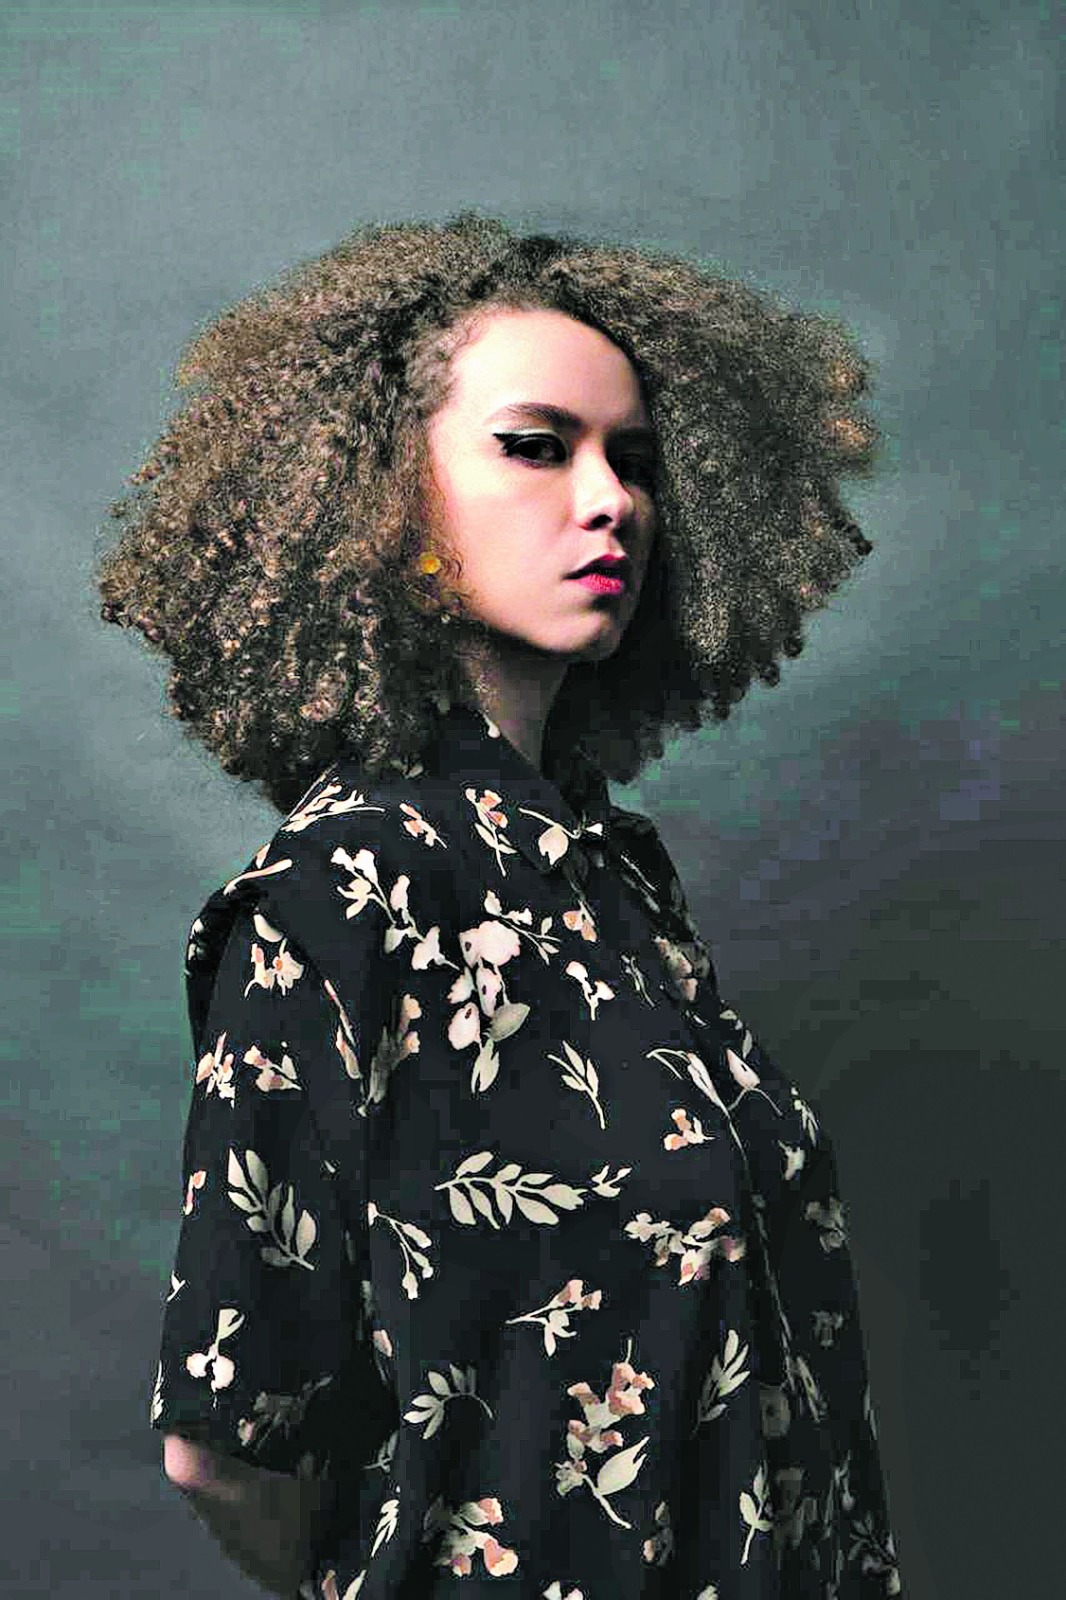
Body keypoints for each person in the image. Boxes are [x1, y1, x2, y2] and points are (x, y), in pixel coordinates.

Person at [96, 210, 901, 1597]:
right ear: (378, 493)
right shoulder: (341, 891)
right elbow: (226, 1441)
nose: (611, 501)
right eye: (536, 446)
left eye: (633, 461)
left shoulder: (612, 877)